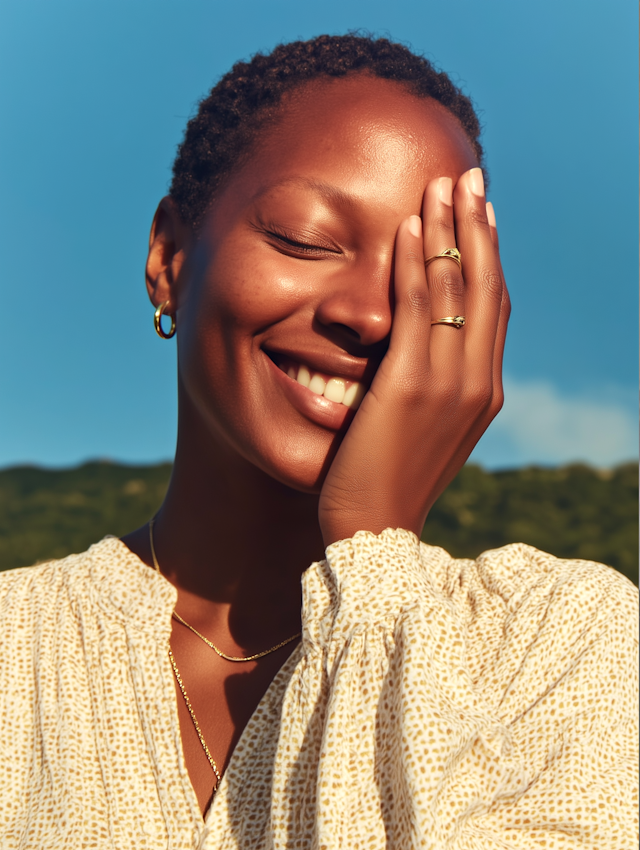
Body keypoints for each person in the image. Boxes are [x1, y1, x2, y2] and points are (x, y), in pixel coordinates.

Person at [0, 34, 637, 850]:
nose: (369, 316)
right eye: (305, 239)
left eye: (427, 276)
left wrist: (373, 552)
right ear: (169, 255)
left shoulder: (564, 645)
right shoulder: (18, 647)